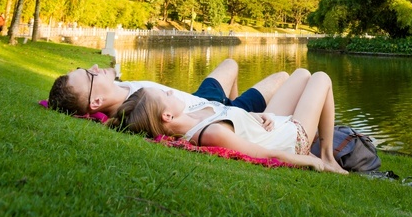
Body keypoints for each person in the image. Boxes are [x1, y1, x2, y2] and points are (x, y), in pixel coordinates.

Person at [108, 69, 349, 174]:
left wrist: (253, 116)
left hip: (266, 123)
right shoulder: (212, 133)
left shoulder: (193, 116)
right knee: (321, 78)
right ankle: (327, 156)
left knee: (302, 74)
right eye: (165, 95)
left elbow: (231, 117)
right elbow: (266, 154)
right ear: (167, 116)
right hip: (290, 138)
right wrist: (310, 160)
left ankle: (325, 153)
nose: (170, 91)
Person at [47, 58, 288, 119]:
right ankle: (239, 116)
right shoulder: (137, 107)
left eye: (84, 68)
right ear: (96, 102)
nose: (95, 67)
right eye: (90, 74)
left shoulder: (113, 89)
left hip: (200, 98)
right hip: (213, 114)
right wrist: (229, 116)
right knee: (283, 77)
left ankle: (238, 109)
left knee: (231, 64)